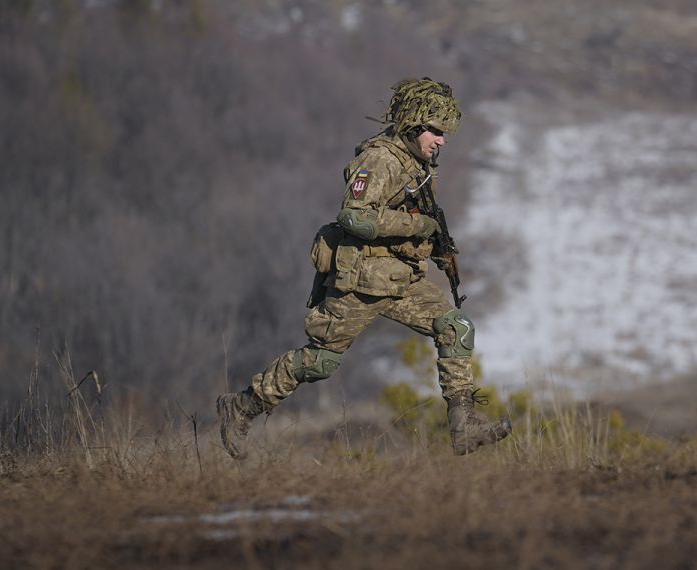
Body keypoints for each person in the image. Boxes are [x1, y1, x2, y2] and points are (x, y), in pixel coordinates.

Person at [216, 78, 511, 459]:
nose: (442, 140)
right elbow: (354, 216)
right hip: (362, 282)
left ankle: (464, 424)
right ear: (414, 125)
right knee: (321, 361)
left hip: (400, 278)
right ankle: (241, 407)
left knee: (456, 327)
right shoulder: (380, 160)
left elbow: (414, 216)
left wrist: (434, 245)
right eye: (436, 131)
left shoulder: (417, 163)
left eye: (444, 134)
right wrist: (417, 226)